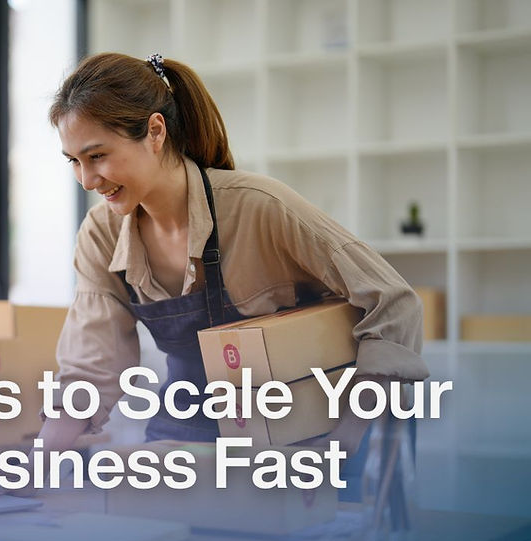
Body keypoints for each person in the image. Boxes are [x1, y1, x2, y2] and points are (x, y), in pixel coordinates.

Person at [36, 52, 429, 499]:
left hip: (303, 446)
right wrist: (38, 461)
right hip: (184, 442)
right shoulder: (101, 234)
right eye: (73, 161)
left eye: (98, 155)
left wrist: (343, 441)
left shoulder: (259, 206)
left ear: (155, 132)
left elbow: (394, 303)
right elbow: (91, 366)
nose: (87, 179)